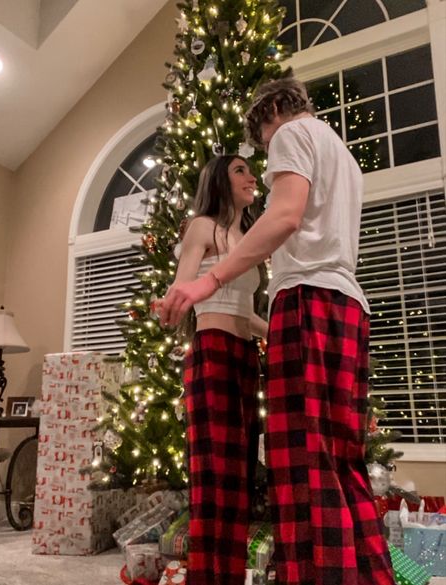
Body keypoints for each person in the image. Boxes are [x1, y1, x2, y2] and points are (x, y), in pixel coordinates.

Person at [158, 76, 395, 585]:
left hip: (308, 301)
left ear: (269, 115)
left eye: (261, 147)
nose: (266, 155)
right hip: (348, 305)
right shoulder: (343, 155)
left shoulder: (291, 134)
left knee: (303, 465)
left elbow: (285, 215)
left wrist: (209, 281)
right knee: (341, 460)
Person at [170, 155, 268, 585]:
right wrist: (171, 304)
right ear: (219, 180)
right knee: (214, 476)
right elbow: (184, 286)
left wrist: (282, 332)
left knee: (239, 476)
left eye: (251, 170)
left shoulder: (245, 237)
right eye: (241, 170)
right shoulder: (202, 227)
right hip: (212, 352)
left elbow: (246, 314)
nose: (252, 177)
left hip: (246, 356)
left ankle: (228, 574)